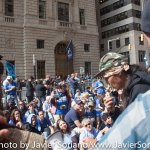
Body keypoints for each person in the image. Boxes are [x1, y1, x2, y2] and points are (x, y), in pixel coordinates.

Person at [82, 1, 150, 148]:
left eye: (107, 75)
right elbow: (130, 124)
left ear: (121, 71)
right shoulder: (131, 86)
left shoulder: (139, 89)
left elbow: (137, 135)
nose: (106, 80)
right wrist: (113, 112)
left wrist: (98, 144)